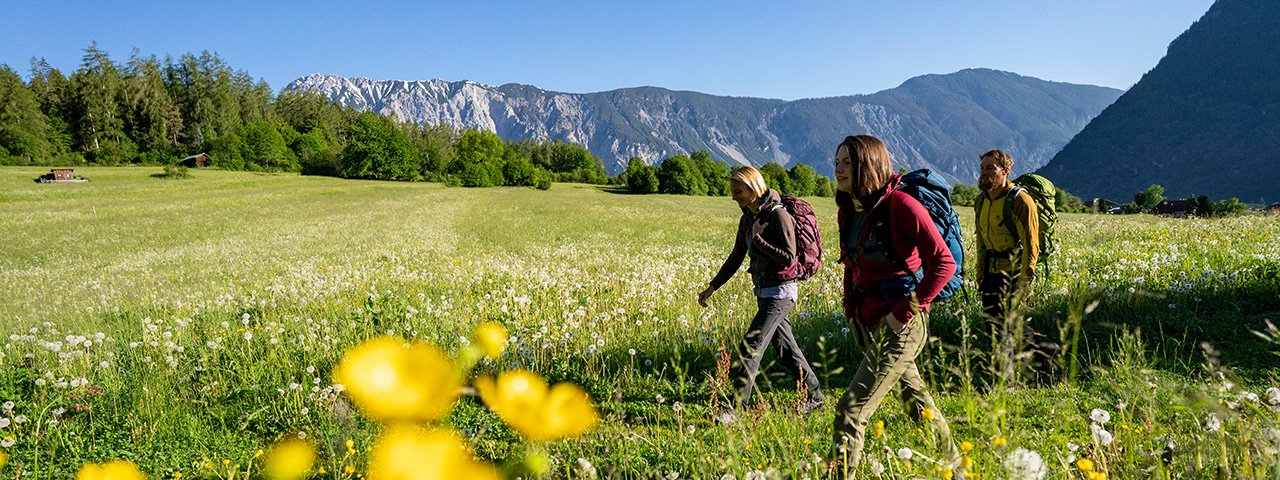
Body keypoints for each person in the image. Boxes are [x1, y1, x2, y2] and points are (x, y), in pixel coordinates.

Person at [830, 135, 959, 474]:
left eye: (846, 162)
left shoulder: (902, 206)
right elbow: (851, 264)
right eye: (837, 162)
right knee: (918, 405)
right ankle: (956, 469)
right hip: (868, 321)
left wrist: (900, 315)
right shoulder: (849, 211)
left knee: (851, 411)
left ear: (867, 165)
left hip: (900, 325)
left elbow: (944, 264)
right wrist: (849, 309)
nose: (838, 169)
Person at [698, 166, 824, 420]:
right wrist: (713, 286)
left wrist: (760, 242)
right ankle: (815, 397)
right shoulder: (748, 218)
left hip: (782, 290)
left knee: (751, 346)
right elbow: (736, 256)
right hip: (764, 290)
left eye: (738, 191)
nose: (734, 197)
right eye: (733, 192)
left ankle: (734, 410)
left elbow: (788, 258)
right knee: (784, 349)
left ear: (753, 188)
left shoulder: (778, 216)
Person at [974, 149, 1039, 329]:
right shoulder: (981, 201)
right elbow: (981, 239)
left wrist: (1024, 282)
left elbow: (1031, 246)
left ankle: (1049, 354)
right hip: (989, 273)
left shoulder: (1021, 201)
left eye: (990, 168)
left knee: (1013, 329)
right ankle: (1000, 358)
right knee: (992, 326)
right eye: (982, 168)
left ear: (1006, 171)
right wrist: (980, 269)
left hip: (1012, 275)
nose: (984, 172)